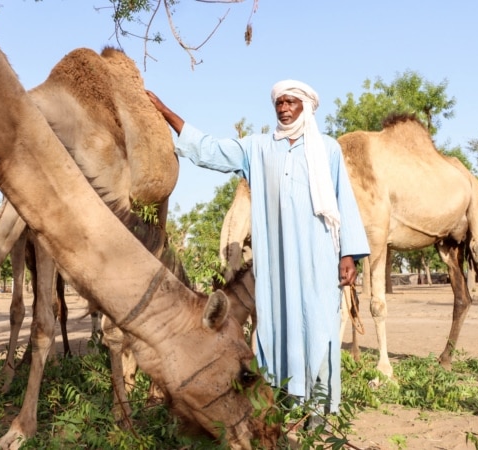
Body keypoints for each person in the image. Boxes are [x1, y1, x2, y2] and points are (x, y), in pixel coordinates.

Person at [147, 80, 370, 422]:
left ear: (305, 106)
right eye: (278, 102)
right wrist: (165, 112)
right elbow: (211, 150)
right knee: (279, 327)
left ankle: (319, 413)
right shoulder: (259, 148)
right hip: (277, 263)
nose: (282, 107)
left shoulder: (327, 150)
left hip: (319, 258)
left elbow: (345, 203)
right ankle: (284, 404)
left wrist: (348, 255)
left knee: (321, 327)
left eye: (290, 101)